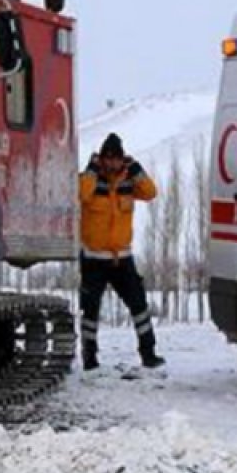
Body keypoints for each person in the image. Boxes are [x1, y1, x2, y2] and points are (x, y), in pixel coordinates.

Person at [78, 133, 165, 372]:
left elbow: (150, 192)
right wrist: (92, 170)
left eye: (116, 159)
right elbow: (81, 194)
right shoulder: (90, 179)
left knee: (139, 305)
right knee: (90, 310)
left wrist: (136, 169)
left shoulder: (128, 181)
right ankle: (89, 356)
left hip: (122, 259)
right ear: (101, 158)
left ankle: (148, 353)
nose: (112, 164)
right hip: (94, 258)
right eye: (107, 159)